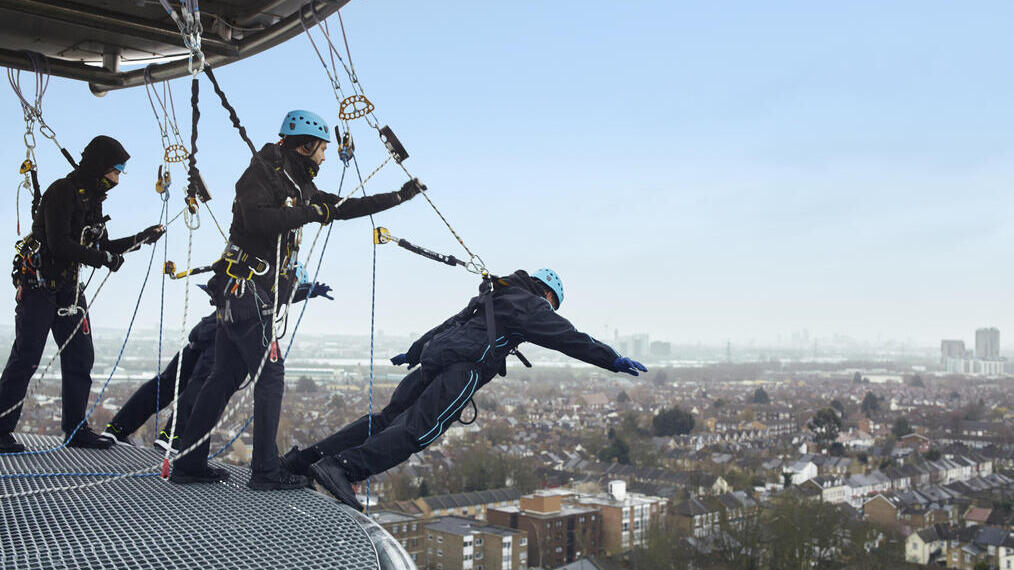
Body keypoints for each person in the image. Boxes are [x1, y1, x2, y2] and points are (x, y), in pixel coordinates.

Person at [171, 110, 424, 490]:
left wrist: (398, 198)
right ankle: (265, 472)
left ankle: (190, 463)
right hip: (247, 292)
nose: (324, 157)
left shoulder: (296, 183)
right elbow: (256, 219)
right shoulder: (264, 171)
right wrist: (308, 213)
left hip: (242, 294)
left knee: (222, 378)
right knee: (269, 376)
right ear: (305, 146)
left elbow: (342, 207)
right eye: (321, 150)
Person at [283, 268, 647, 510]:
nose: (549, 312)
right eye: (553, 306)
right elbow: (569, 338)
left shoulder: (497, 294)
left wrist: (415, 350)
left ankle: (305, 461)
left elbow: (451, 323)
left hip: (433, 360)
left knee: (384, 421)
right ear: (549, 296)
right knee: (415, 433)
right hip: (462, 370)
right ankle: (343, 468)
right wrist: (611, 358)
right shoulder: (533, 305)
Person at [0, 135, 164, 452]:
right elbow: (60, 243)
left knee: (80, 357)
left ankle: (76, 430)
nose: (116, 180)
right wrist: (101, 258)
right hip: (40, 287)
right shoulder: (62, 192)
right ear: (98, 167)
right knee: (27, 358)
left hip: (69, 290)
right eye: (114, 172)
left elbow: (101, 246)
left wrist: (141, 238)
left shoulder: (92, 200)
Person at [101, 279, 334, 451]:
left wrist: (304, 292)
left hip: (206, 331)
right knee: (202, 385)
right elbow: (274, 292)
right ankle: (174, 435)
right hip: (223, 337)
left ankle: (118, 428)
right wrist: (305, 291)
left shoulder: (249, 266)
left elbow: (274, 292)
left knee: (170, 381)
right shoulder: (268, 268)